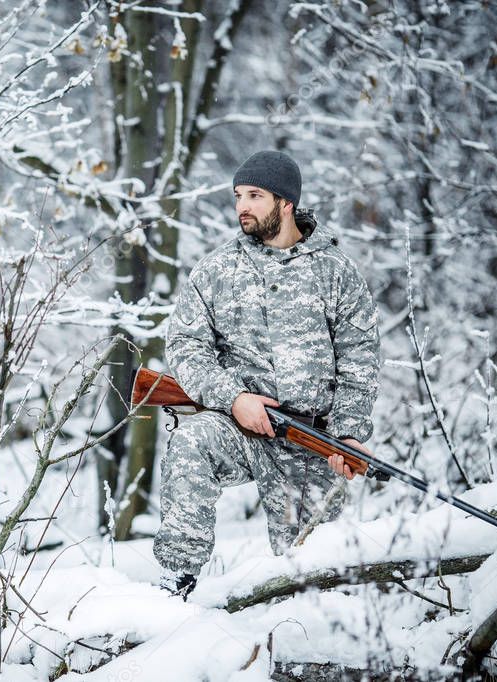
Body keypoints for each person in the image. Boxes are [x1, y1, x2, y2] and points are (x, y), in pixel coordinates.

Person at [155, 150, 380, 599]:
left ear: (286, 202)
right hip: (241, 428)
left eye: (255, 195)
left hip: (312, 439)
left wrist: (348, 434)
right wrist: (235, 397)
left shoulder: (335, 272)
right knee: (189, 443)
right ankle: (175, 585)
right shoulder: (217, 269)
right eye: (239, 195)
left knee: (311, 577)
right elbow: (185, 345)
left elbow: (360, 358)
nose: (242, 206)